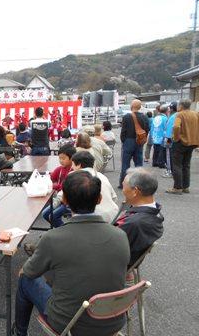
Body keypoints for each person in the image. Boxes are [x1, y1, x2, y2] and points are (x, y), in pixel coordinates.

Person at [13, 170, 130, 336]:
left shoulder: (53, 238)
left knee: (26, 280)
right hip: (113, 320)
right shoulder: (121, 235)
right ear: (99, 199)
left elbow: (29, 271)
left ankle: (19, 332)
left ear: (65, 200)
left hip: (70, 323)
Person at [114, 168, 164, 266]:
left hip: (114, 266)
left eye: (124, 186)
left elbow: (108, 247)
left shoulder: (133, 223)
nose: (122, 190)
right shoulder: (155, 212)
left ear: (135, 191)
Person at [167, 98, 199, 194]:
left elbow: (176, 126)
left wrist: (176, 138)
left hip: (180, 142)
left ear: (180, 105)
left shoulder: (180, 114)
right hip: (192, 142)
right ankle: (186, 186)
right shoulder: (196, 114)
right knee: (186, 164)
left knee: (177, 165)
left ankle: (177, 187)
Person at [119, 99, 150, 188]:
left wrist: (123, 141)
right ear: (140, 107)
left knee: (125, 164)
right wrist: (143, 139)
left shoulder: (126, 117)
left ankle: (123, 183)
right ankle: (139, 184)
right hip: (139, 142)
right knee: (139, 164)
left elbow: (123, 131)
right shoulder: (145, 117)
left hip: (128, 141)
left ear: (131, 106)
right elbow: (147, 129)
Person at [162, 102, 177, 178]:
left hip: (170, 139)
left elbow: (169, 129)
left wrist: (168, 139)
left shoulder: (172, 117)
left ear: (171, 109)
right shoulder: (180, 115)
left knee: (169, 156)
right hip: (178, 140)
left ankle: (169, 171)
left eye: (169, 108)